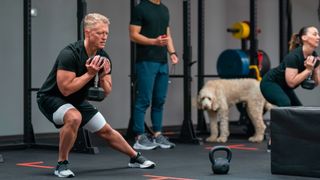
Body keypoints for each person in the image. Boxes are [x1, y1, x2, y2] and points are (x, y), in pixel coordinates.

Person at [37, 13, 155, 178]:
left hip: (76, 101)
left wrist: (102, 76)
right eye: (100, 33)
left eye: (106, 33)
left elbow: (105, 93)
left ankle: (135, 157)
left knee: (106, 130)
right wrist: (90, 74)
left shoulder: (103, 57)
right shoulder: (70, 53)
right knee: (74, 117)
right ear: (87, 33)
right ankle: (61, 164)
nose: (104, 37)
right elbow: (65, 90)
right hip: (51, 98)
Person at [260, 26, 320, 152]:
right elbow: (292, 83)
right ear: (304, 38)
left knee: (299, 111)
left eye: (318, 34)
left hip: (284, 87)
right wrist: (308, 70)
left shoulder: (314, 56)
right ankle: (272, 140)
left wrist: (316, 68)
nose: (318, 37)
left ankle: (296, 140)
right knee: (285, 104)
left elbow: (316, 83)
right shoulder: (293, 56)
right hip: (270, 83)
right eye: (315, 34)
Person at [129, 0, 179, 150]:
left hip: (162, 61)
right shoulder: (140, 9)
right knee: (143, 99)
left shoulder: (164, 9)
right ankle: (139, 137)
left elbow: (167, 34)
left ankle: (157, 135)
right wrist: (153, 42)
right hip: (146, 61)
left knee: (159, 100)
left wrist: (172, 52)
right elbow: (133, 35)